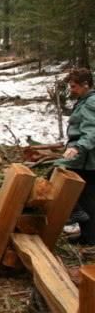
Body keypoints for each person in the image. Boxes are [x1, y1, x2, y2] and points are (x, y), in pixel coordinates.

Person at [57, 68, 95, 246]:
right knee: (87, 198)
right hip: (85, 158)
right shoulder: (84, 100)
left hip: (85, 158)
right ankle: (89, 237)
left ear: (86, 85)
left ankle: (74, 213)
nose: (71, 90)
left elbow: (92, 131)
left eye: (74, 86)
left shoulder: (90, 103)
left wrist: (77, 148)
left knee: (56, 174)